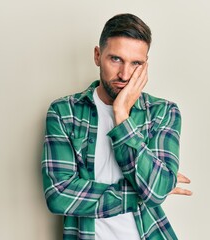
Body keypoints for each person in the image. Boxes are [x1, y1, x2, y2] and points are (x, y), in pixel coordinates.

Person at [41, 13, 192, 240]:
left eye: (136, 63)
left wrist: (121, 115)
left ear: (145, 65)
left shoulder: (163, 112)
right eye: (116, 59)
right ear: (97, 55)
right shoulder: (65, 112)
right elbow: (58, 194)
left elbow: (156, 189)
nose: (124, 74)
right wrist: (144, 193)